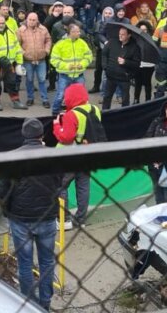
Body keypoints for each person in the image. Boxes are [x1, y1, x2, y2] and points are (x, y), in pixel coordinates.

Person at [0, 118, 61, 311]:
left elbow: (3, 190)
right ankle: (45, 303)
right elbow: (60, 182)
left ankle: (27, 303)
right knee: (47, 262)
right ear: (42, 135)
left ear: (24, 135)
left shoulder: (11, 157)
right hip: (47, 216)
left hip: (20, 218)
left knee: (24, 263)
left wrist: (6, 211)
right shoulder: (54, 156)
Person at [52, 83, 101, 228]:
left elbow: (66, 138)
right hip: (87, 155)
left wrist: (57, 125)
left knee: (61, 186)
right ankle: (80, 220)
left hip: (69, 157)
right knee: (83, 187)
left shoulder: (71, 115)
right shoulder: (95, 109)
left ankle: (64, 220)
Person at [0, 15, 26, 111]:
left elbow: (17, 47)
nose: (1, 25)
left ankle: (16, 101)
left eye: (2, 23)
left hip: (10, 64)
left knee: (12, 83)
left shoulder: (11, 32)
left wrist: (19, 62)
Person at [101, 25, 140, 109]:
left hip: (124, 78)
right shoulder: (112, 42)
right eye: (119, 34)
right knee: (107, 97)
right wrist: (105, 67)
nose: (120, 36)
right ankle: (104, 114)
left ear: (129, 35)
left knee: (125, 100)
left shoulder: (134, 47)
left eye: (123, 34)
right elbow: (104, 54)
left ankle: (124, 114)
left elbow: (137, 64)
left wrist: (126, 62)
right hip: (111, 76)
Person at [18, 12, 52, 108]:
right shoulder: (21, 30)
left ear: (37, 20)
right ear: (27, 19)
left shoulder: (43, 29)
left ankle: (45, 99)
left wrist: (46, 50)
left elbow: (48, 40)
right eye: (30, 19)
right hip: (28, 60)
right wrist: (23, 53)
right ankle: (30, 98)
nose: (31, 21)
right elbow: (17, 44)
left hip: (41, 60)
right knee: (29, 80)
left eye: (34, 20)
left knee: (42, 80)